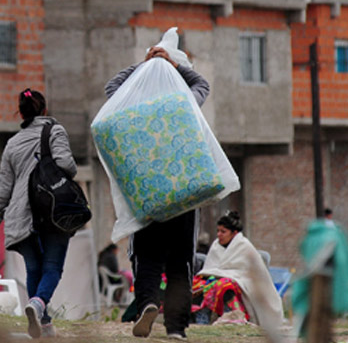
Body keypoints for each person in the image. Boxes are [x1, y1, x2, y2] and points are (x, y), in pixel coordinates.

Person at [105, 45, 210, 340]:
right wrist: (172, 66)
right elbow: (203, 83)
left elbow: (111, 87)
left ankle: (148, 304)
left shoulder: (132, 104)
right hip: (182, 195)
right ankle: (176, 328)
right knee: (181, 262)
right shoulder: (184, 102)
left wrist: (145, 65)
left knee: (147, 257)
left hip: (147, 196)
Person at [0, 88, 78, 339]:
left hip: (20, 215)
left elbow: (3, 187)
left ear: (21, 113)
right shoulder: (55, 131)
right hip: (53, 211)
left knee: (34, 269)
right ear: (44, 110)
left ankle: (43, 325)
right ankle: (38, 305)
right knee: (52, 267)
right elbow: (67, 165)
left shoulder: (12, 144)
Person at [193, 211, 283, 326]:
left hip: (241, 285)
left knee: (224, 285)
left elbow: (249, 276)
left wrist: (226, 277)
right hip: (215, 280)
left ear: (234, 233)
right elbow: (210, 269)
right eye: (218, 231)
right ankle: (201, 317)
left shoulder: (245, 247)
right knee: (198, 284)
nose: (219, 234)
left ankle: (233, 314)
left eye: (223, 232)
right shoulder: (216, 246)